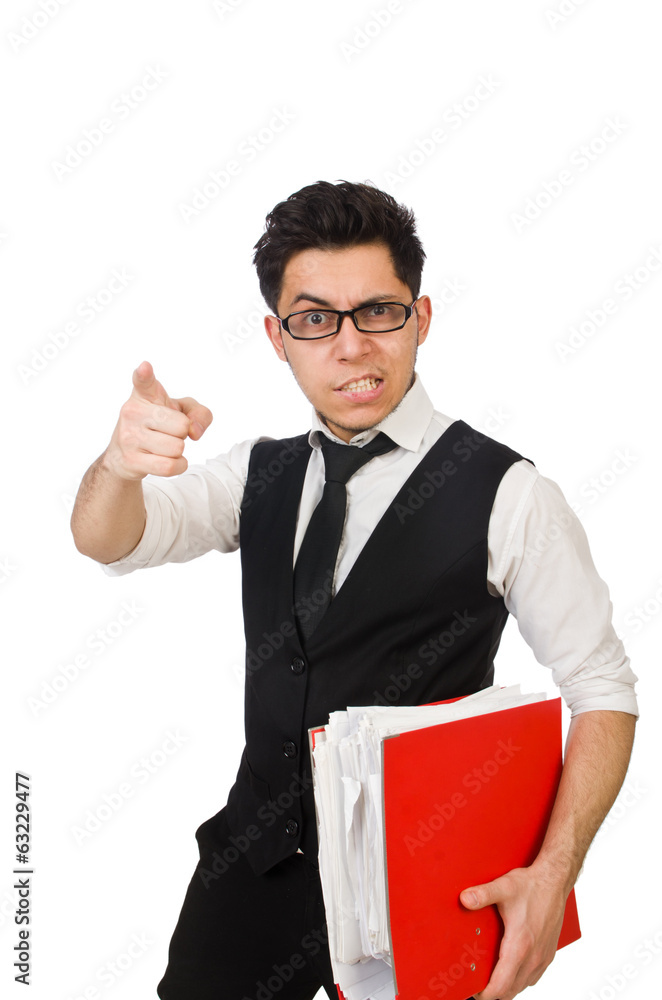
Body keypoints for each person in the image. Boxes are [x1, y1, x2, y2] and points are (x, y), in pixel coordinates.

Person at [70, 179, 638, 1000]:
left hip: (428, 888)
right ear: (278, 337)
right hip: (252, 866)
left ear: (421, 318)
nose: (351, 346)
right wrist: (119, 465)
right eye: (315, 320)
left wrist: (554, 874)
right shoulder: (256, 474)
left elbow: (602, 688)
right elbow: (107, 539)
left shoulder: (511, 495)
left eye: (378, 311)